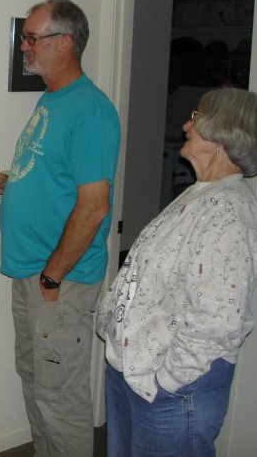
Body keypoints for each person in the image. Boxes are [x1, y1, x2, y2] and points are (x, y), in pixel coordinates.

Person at [0, 0, 121, 457]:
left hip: (60, 279)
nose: (24, 46)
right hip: (31, 271)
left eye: (33, 38)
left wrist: (53, 276)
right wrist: (8, 184)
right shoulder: (52, 99)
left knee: (61, 398)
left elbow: (94, 208)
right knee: (37, 383)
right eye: (26, 37)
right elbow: (55, 179)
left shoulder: (91, 111)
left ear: (66, 43)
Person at [97, 88, 257, 457]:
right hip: (135, 371)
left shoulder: (230, 211)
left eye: (196, 117)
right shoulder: (203, 193)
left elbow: (219, 320)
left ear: (221, 135)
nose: (186, 124)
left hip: (170, 387)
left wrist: (168, 380)